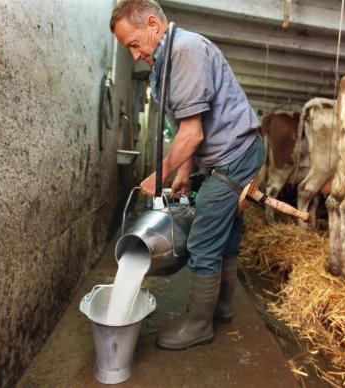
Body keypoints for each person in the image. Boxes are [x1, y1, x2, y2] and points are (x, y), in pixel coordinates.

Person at [110, 0, 264, 350]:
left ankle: (199, 326)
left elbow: (192, 134)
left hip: (235, 155)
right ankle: (222, 308)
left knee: (202, 239)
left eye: (134, 44)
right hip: (224, 154)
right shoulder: (165, 60)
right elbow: (187, 127)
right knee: (224, 228)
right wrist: (182, 172)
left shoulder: (186, 51)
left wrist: (160, 174)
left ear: (153, 24)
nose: (134, 55)